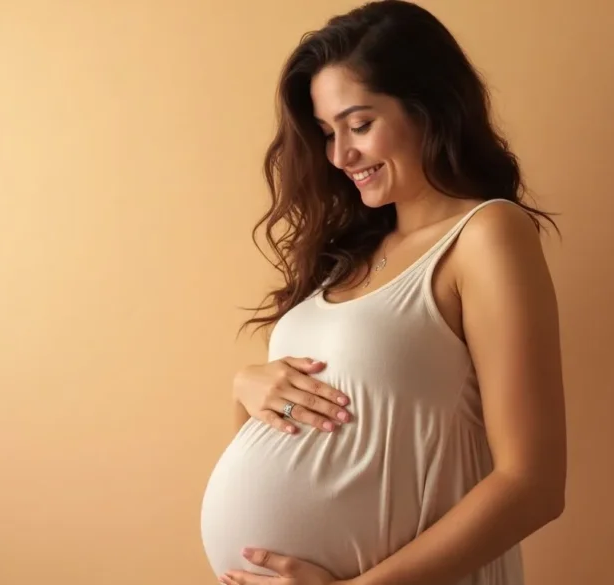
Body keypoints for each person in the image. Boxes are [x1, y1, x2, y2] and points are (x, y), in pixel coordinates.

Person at [199, 2, 567, 585]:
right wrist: (246, 389)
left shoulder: (485, 235)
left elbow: (533, 484)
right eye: (326, 133)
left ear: (428, 107)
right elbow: (306, 434)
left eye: (359, 124)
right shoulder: (346, 257)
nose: (340, 155)